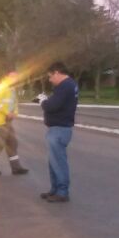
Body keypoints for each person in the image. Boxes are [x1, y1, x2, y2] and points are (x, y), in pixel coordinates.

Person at [40, 62, 78, 203]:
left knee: (58, 162)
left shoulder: (64, 86)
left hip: (59, 129)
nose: (50, 80)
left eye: (50, 76)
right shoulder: (70, 85)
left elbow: (52, 106)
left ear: (57, 72)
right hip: (60, 128)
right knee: (53, 161)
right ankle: (55, 189)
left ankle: (62, 192)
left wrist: (43, 102)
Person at [0, 70, 29, 176]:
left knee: (12, 143)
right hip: (1, 120)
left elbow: (14, 103)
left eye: (16, 77)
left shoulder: (12, 88)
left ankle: (16, 168)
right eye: (12, 77)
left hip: (8, 120)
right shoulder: (2, 87)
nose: (15, 79)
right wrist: (7, 112)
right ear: (6, 77)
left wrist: (15, 113)